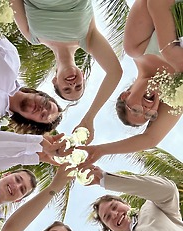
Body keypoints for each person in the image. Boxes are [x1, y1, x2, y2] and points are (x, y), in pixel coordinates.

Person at [77, 0, 183, 165]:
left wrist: (169, 50)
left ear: (126, 95)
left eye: (135, 110)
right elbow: (151, 139)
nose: (145, 110)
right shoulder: (177, 91)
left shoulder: (136, 47)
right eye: (149, 115)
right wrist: (100, 150)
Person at [10, 0, 123, 144]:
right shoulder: (89, 39)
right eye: (78, 86)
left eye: (66, 89)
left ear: (55, 81)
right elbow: (115, 72)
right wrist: (89, 118)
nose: (72, 84)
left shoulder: (32, 36)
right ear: (82, 74)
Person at [0, 36, 73, 173]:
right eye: (47, 105)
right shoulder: (11, 60)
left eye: (43, 116)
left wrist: (36, 149)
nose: (42, 109)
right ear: (40, 94)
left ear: (32, 123)